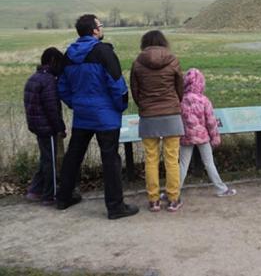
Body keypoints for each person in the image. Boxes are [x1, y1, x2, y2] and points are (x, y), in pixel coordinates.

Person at [56, 14, 139, 219]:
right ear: (94, 30)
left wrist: (75, 104)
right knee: (110, 158)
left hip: (82, 115)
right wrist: (119, 107)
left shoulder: (69, 54)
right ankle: (115, 206)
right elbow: (117, 83)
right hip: (105, 115)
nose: (102, 28)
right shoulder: (104, 52)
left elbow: (62, 87)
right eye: (100, 25)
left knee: (74, 155)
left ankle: (63, 197)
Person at [130, 30, 185, 212]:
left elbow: (135, 91)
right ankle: (173, 198)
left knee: (151, 159)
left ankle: (153, 200)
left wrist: (144, 106)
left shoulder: (137, 63)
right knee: (172, 159)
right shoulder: (173, 60)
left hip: (148, 115)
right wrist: (174, 103)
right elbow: (180, 88)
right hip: (171, 114)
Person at [178, 68, 236, 198]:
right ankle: (221, 189)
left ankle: (173, 192)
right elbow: (211, 122)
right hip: (202, 137)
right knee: (209, 163)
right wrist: (215, 138)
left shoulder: (180, 100)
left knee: (182, 165)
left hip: (186, 136)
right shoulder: (204, 100)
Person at [23, 47, 66, 205]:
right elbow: (52, 109)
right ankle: (50, 195)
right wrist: (60, 127)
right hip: (47, 128)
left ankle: (35, 190)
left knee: (45, 159)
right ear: (54, 62)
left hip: (37, 125)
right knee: (51, 162)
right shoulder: (48, 81)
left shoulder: (34, 78)